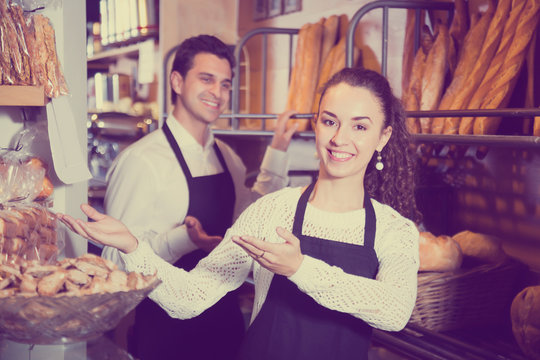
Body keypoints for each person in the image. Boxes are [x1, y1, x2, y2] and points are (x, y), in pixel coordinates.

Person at [59, 67, 421, 360]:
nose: (341, 138)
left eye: (360, 126)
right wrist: (133, 247)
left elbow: (394, 312)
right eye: (330, 121)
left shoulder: (394, 230)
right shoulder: (271, 212)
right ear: (316, 124)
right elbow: (190, 297)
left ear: (383, 137)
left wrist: (299, 268)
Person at [100, 34, 298, 360]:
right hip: (165, 333)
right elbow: (114, 260)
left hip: (225, 324)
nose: (217, 93)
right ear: (177, 82)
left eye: (225, 84)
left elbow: (254, 213)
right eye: (206, 79)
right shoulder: (142, 161)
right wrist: (185, 239)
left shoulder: (227, 156)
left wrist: (277, 149)